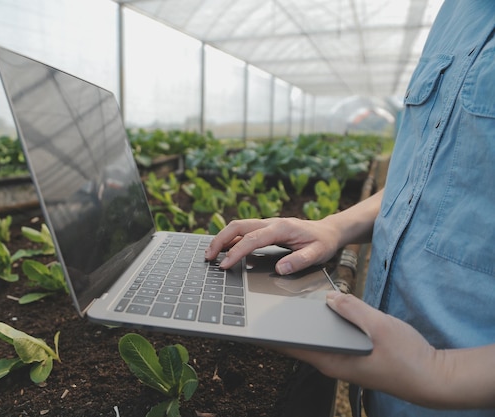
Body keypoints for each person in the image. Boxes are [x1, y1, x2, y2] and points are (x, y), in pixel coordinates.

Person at [205, 1, 495, 415]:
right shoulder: (457, 14)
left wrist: (441, 371)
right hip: (385, 392)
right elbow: (425, 182)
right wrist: (335, 227)